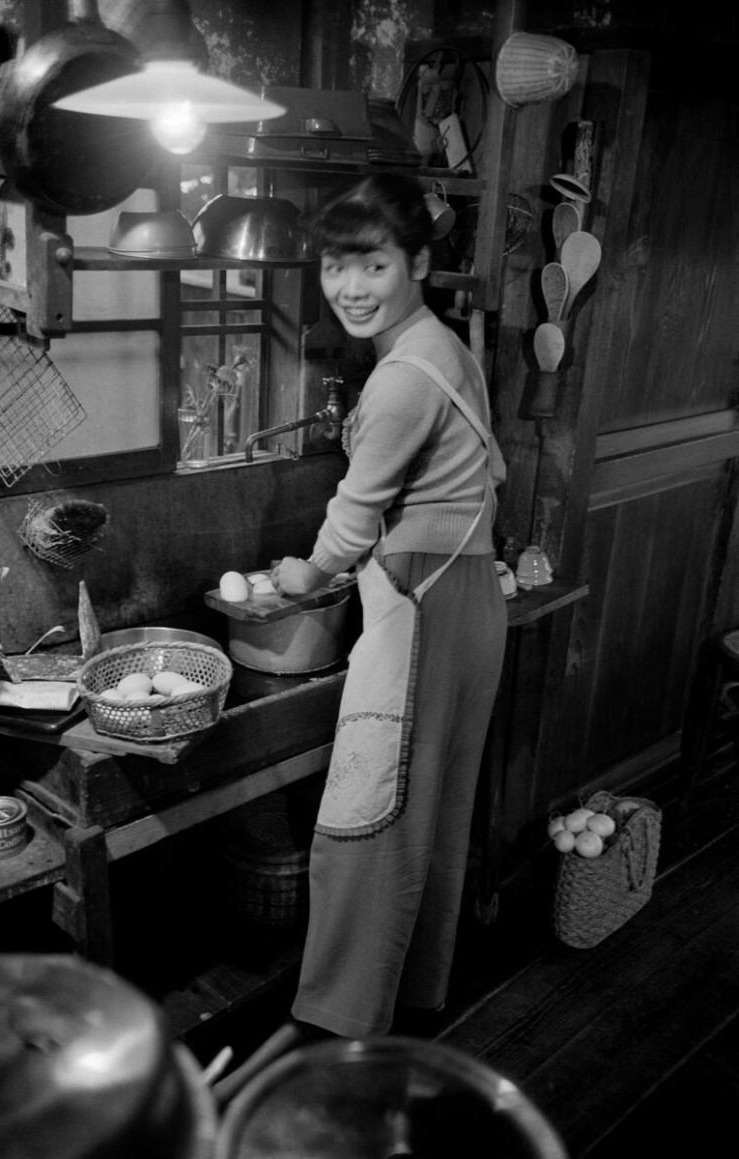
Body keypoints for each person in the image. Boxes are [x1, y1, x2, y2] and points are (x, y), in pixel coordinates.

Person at [270, 172, 508, 1039]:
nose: (351, 286)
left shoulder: (403, 377)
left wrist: (304, 575)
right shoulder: (444, 348)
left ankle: (341, 1020)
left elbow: (354, 518)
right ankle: (412, 996)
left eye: (373, 264)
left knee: (372, 811)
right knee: (431, 810)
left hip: (421, 603)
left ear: (418, 262)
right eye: (336, 265)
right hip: (467, 596)